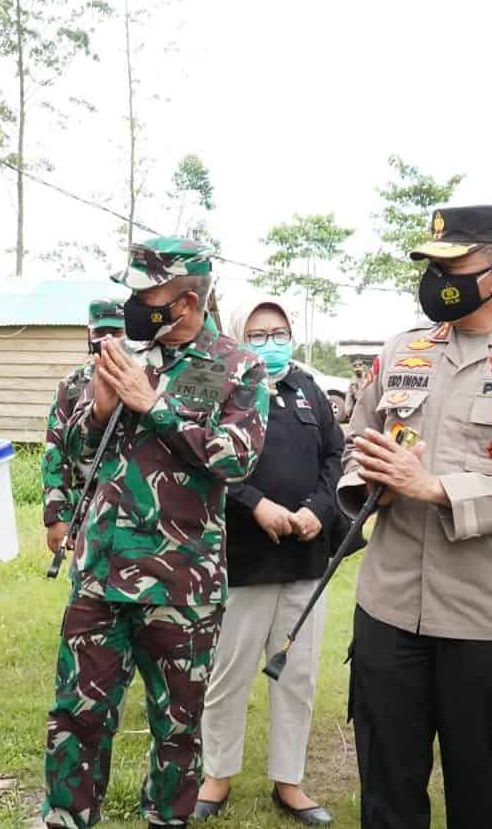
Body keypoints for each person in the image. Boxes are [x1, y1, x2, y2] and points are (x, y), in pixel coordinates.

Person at [341, 205, 492, 829]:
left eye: (451, 267)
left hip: (486, 621)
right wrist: (370, 482)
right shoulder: (402, 351)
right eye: (430, 266)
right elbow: (357, 439)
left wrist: (436, 489)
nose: (434, 278)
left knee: (483, 789)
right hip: (389, 609)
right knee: (386, 786)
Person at [42, 237, 270, 829]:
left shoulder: (236, 367)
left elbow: (235, 460)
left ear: (188, 301)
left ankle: (166, 820)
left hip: (181, 585)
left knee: (177, 728)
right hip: (99, 577)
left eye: (149, 293)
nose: (137, 304)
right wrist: (96, 411)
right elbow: (73, 453)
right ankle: (67, 818)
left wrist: (155, 404)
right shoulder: (123, 354)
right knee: (76, 718)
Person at [194, 296, 343, 826]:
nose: (270, 343)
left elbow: (333, 456)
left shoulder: (308, 388)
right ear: (238, 336)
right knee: (228, 673)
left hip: (306, 555)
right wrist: (255, 503)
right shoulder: (216, 380)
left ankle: (290, 780)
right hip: (242, 557)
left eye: (278, 332)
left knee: (297, 675)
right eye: (256, 334)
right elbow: (194, 451)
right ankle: (217, 774)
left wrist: (319, 510)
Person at [42, 299, 126, 555]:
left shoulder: (145, 379)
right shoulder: (72, 385)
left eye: (117, 333)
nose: (108, 340)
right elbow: (55, 451)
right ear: (89, 334)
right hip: (87, 509)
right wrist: (57, 516)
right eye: (100, 333)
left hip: (134, 512)